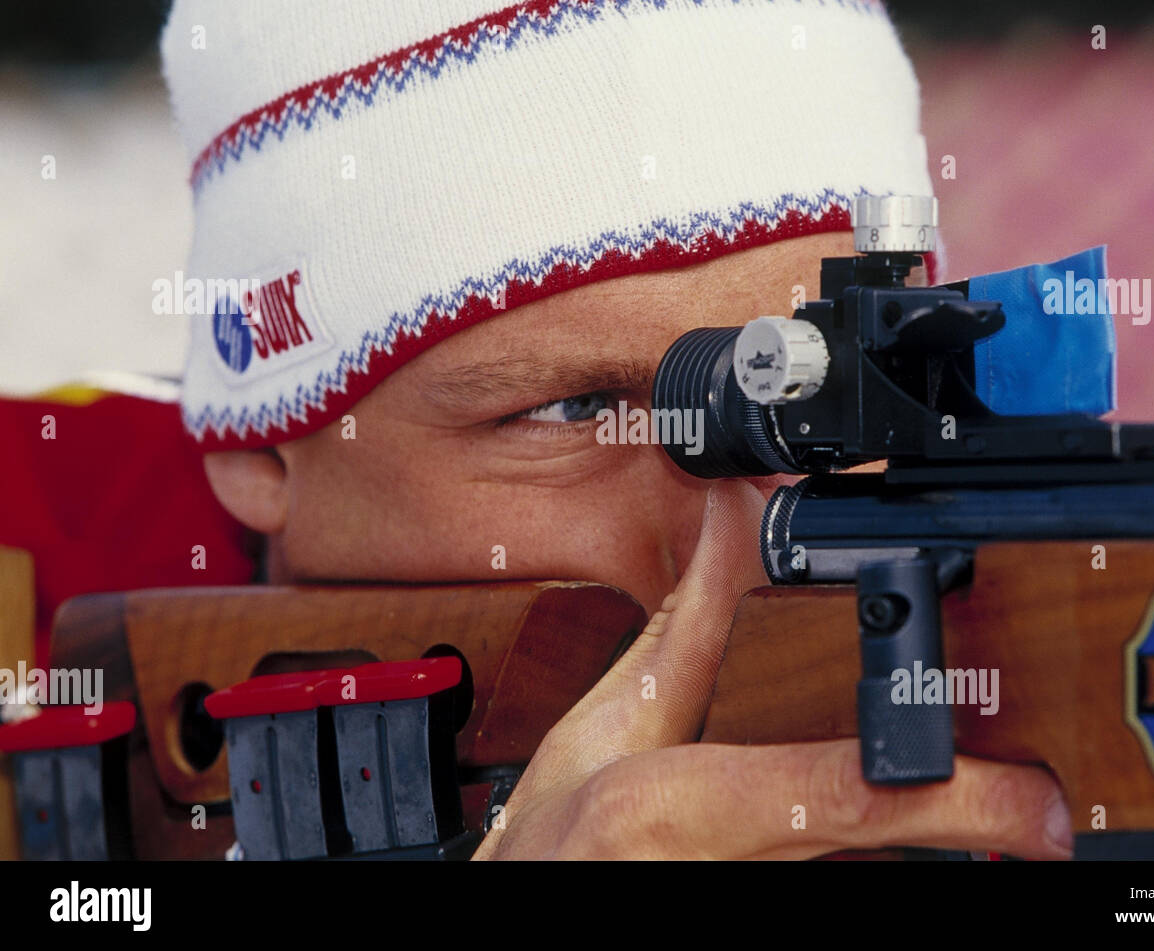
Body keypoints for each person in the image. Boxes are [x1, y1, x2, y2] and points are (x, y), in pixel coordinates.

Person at [161, 0, 1072, 860]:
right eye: (575, 410)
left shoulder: (1044, 655)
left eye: (831, 397)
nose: (751, 547)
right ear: (257, 447)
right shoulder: (28, 625)